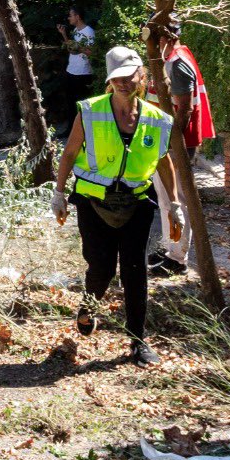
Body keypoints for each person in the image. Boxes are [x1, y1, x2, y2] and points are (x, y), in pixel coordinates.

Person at [49, 46, 181, 365]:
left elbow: (164, 161)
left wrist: (174, 203)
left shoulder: (156, 118)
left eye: (129, 75)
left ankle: (137, 341)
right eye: (117, 77)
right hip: (94, 202)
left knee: (135, 272)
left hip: (136, 203)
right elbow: (68, 154)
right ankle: (89, 308)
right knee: (102, 268)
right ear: (110, 81)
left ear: (140, 76)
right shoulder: (91, 111)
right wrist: (59, 193)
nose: (123, 82)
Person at [145, 16, 216, 275]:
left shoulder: (176, 64)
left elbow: (184, 109)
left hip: (174, 144)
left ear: (165, 37)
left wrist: (171, 142)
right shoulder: (173, 57)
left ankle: (177, 258)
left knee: (174, 200)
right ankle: (170, 247)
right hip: (166, 142)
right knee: (166, 199)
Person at [55, 8, 95, 136]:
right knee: (70, 102)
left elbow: (91, 52)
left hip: (83, 72)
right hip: (71, 70)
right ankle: (71, 130)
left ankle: (84, 131)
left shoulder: (89, 32)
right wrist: (64, 34)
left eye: (71, 15)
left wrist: (79, 48)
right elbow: (71, 49)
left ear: (78, 16)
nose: (69, 18)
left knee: (82, 103)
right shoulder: (76, 31)